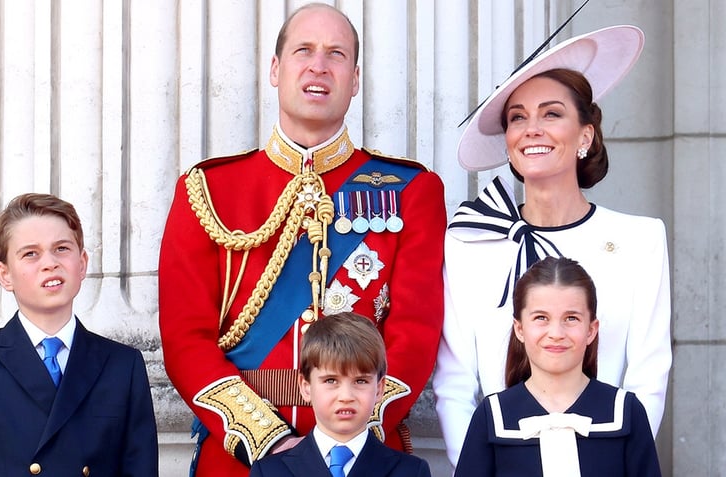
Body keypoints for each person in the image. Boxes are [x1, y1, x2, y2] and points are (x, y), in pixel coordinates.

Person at [158, 3, 446, 476]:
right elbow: (185, 337)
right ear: (276, 69)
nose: (318, 65)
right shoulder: (207, 189)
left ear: (354, 79)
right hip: (240, 460)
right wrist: (264, 439)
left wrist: (351, 439)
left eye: (336, 54)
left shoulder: (411, 191)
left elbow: (414, 334)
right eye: (303, 51)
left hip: (364, 456)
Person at [433, 25, 671, 468]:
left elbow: (648, 378)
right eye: (518, 117)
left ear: (585, 135)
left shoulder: (642, 240)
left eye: (552, 114)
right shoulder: (468, 244)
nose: (532, 129)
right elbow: (454, 386)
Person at [0, 193, 159, 476]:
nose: (50, 263)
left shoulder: (123, 365)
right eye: (30, 254)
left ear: (82, 262)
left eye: (62, 248)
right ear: (5, 275)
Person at [455, 256, 661, 476]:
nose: (556, 333)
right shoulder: (492, 416)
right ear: (520, 329)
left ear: (591, 330)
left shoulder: (626, 412)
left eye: (571, 318)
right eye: (541, 317)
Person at [249, 312, 432, 476]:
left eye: (360, 381)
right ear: (306, 387)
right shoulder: (269, 472)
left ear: (379, 388)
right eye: (331, 381)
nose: (346, 396)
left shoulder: (411, 471)